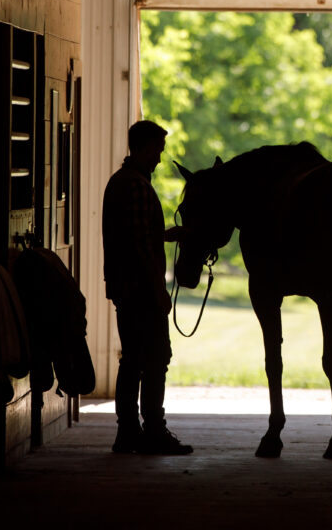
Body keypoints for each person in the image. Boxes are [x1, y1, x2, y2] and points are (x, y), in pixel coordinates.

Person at [103, 119, 191, 454]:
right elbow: (139, 247)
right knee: (155, 358)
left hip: (126, 288)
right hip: (141, 290)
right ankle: (153, 430)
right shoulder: (137, 186)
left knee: (134, 360)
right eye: (156, 150)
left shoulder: (121, 182)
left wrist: (166, 236)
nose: (158, 158)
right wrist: (159, 289)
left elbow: (135, 236)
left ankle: (128, 433)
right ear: (141, 148)